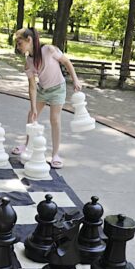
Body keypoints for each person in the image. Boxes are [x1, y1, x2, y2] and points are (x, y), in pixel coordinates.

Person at [11, 27, 82, 169]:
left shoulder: (49, 50)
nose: (17, 47)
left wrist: (75, 80)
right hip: (42, 90)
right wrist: (33, 107)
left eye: (19, 43)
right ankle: (27, 145)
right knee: (32, 115)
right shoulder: (28, 62)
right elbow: (31, 86)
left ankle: (55, 154)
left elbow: (67, 62)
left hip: (58, 89)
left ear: (29, 40)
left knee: (54, 119)